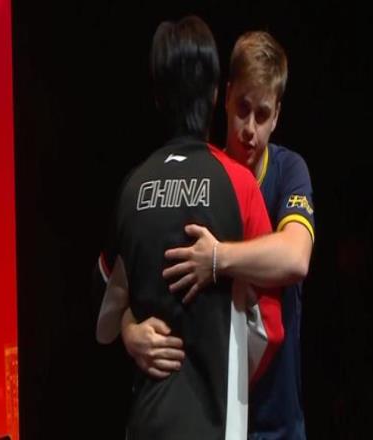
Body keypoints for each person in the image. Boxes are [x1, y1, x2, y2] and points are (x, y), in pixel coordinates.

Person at [93, 16, 283, 440]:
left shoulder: (131, 188)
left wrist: (127, 329)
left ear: (158, 96)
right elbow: (270, 327)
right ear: (216, 94)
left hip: (144, 425)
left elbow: (103, 315)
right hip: (215, 425)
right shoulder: (239, 186)